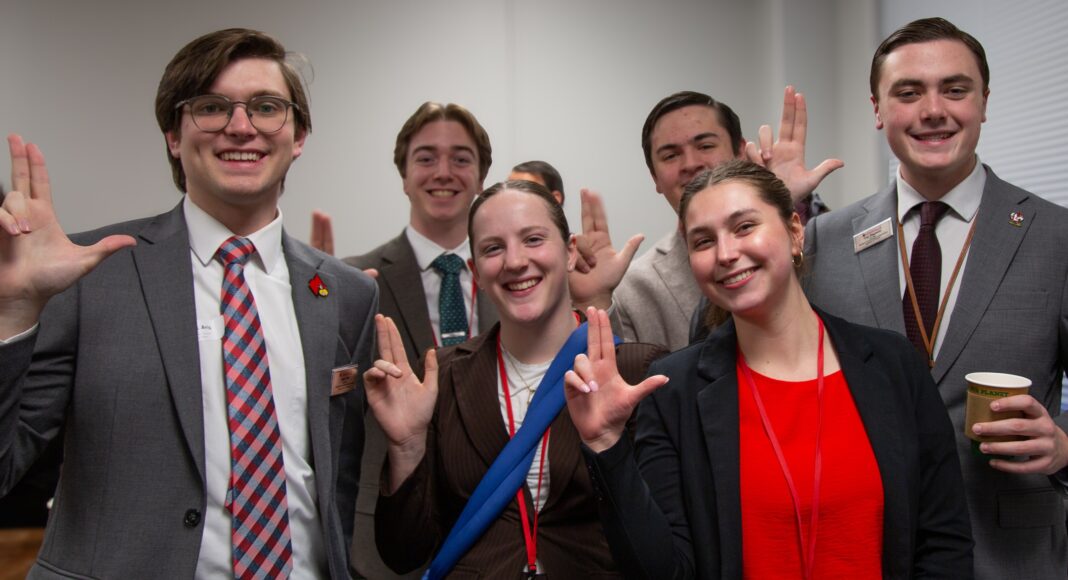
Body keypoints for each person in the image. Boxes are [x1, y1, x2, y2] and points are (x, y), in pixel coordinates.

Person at [0, 29, 376, 578]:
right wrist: (14, 312)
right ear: (174, 136)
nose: (240, 126)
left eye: (267, 107)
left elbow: (342, 481)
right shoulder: (90, 273)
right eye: (211, 107)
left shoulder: (346, 294)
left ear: (298, 136)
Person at [565, 160, 972, 578]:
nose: (726, 254)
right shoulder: (674, 392)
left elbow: (943, 541)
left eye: (744, 227)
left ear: (795, 231)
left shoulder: (893, 365)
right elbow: (663, 571)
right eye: (703, 242)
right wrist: (605, 444)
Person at [803, 17, 1068, 579]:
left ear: (984, 102)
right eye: (908, 92)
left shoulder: (1056, 236)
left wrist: (1065, 445)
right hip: (863, 552)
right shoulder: (824, 241)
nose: (933, 110)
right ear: (877, 109)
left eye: (954, 89)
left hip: (1008, 552)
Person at [367, 180, 665, 578]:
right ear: (475, 269)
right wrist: (406, 446)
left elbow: (664, 556)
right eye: (493, 248)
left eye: (533, 239)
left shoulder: (636, 370)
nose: (514, 261)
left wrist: (609, 446)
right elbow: (403, 553)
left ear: (570, 251)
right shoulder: (444, 376)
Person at [610, 88, 839, 352]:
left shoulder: (808, 230)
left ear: (740, 151)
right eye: (671, 155)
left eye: (705, 146)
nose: (691, 163)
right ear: (654, 178)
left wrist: (780, 201)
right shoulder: (633, 288)